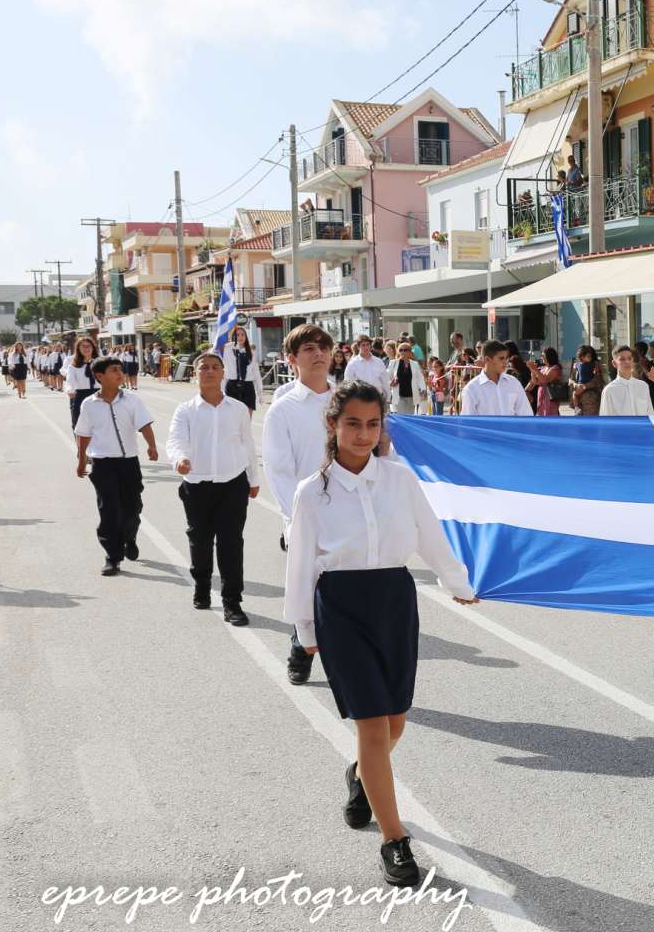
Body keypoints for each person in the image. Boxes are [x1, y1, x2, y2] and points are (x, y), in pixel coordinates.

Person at [283, 380, 481, 887]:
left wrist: (456, 581)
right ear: (333, 424)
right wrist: (305, 628)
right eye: (353, 423)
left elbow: (430, 536)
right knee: (373, 726)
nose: (364, 434)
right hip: (341, 609)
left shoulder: (399, 481)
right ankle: (394, 841)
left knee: (394, 724)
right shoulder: (313, 493)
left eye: (373, 424)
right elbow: (302, 565)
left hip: (394, 601)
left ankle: (360, 775)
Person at [262, 323, 340, 686]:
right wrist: (297, 518)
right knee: (306, 589)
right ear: (292, 359)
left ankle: (346, 660)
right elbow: (279, 471)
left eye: (324, 347)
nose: (319, 353)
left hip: (349, 513)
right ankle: (301, 647)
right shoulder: (284, 409)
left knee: (347, 589)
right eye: (309, 348)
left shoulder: (350, 399)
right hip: (305, 516)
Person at [167, 350, 259, 624]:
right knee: (200, 540)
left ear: (223, 373)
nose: (209, 371)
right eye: (203, 367)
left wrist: (253, 480)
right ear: (195, 374)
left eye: (215, 367)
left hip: (233, 484)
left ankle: (232, 602)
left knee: (231, 543)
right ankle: (202, 587)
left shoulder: (238, 409)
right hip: (197, 485)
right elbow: (175, 440)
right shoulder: (185, 410)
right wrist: (179, 459)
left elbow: (248, 446)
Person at [73, 356, 158, 576]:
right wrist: (81, 460)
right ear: (100, 376)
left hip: (129, 462)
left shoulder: (132, 400)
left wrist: (152, 446)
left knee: (133, 506)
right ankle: (112, 556)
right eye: (114, 370)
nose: (120, 374)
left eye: (120, 370)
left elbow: (144, 424)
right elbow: (83, 434)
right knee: (109, 509)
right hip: (102, 463)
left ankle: (129, 536)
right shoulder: (89, 404)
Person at [459, 340, 533, 416]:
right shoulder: (471, 389)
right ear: (487, 359)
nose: (505, 362)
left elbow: (526, 414)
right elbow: (467, 422)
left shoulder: (514, 383)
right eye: (501, 358)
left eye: (506, 358)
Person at [221, 325, 264, 415]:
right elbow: (215, 355)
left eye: (242, 334)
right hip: (232, 385)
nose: (240, 337)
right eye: (237, 335)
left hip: (247, 386)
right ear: (233, 337)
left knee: (247, 418)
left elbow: (256, 373)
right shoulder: (227, 350)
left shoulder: (251, 352)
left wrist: (260, 393)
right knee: (233, 418)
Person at [600, 346, 654, 415]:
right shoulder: (609, 390)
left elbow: (650, 414)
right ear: (614, 363)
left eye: (629, 358)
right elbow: (606, 420)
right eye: (622, 359)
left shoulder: (643, 386)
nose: (627, 362)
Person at [65, 336, 100, 427]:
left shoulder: (100, 363)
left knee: (99, 423)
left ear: (93, 348)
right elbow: (69, 381)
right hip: (80, 395)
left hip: (98, 394)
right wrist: (69, 390)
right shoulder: (73, 366)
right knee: (78, 423)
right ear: (78, 349)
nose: (86, 349)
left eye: (88, 346)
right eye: (83, 346)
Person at [387, 343, 424, 415]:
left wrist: (423, 389)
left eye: (405, 350)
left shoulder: (414, 364)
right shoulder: (393, 363)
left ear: (410, 352)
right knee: (402, 416)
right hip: (399, 396)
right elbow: (387, 377)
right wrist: (390, 383)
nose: (403, 352)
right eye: (400, 350)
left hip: (411, 395)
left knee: (410, 417)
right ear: (398, 351)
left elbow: (420, 378)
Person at [570, 345, 604, 416]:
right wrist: (575, 385)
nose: (589, 357)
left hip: (591, 401)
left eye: (590, 355)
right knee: (580, 424)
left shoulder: (595, 365)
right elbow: (571, 379)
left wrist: (584, 386)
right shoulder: (577, 365)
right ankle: (577, 408)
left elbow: (598, 380)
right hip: (579, 401)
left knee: (591, 423)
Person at [530, 347, 563, 417]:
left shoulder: (555, 368)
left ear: (549, 356)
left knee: (550, 416)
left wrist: (535, 370)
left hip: (550, 397)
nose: (541, 357)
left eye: (543, 355)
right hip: (542, 397)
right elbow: (536, 382)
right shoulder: (543, 368)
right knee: (541, 415)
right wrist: (532, 370)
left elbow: (545, 380)